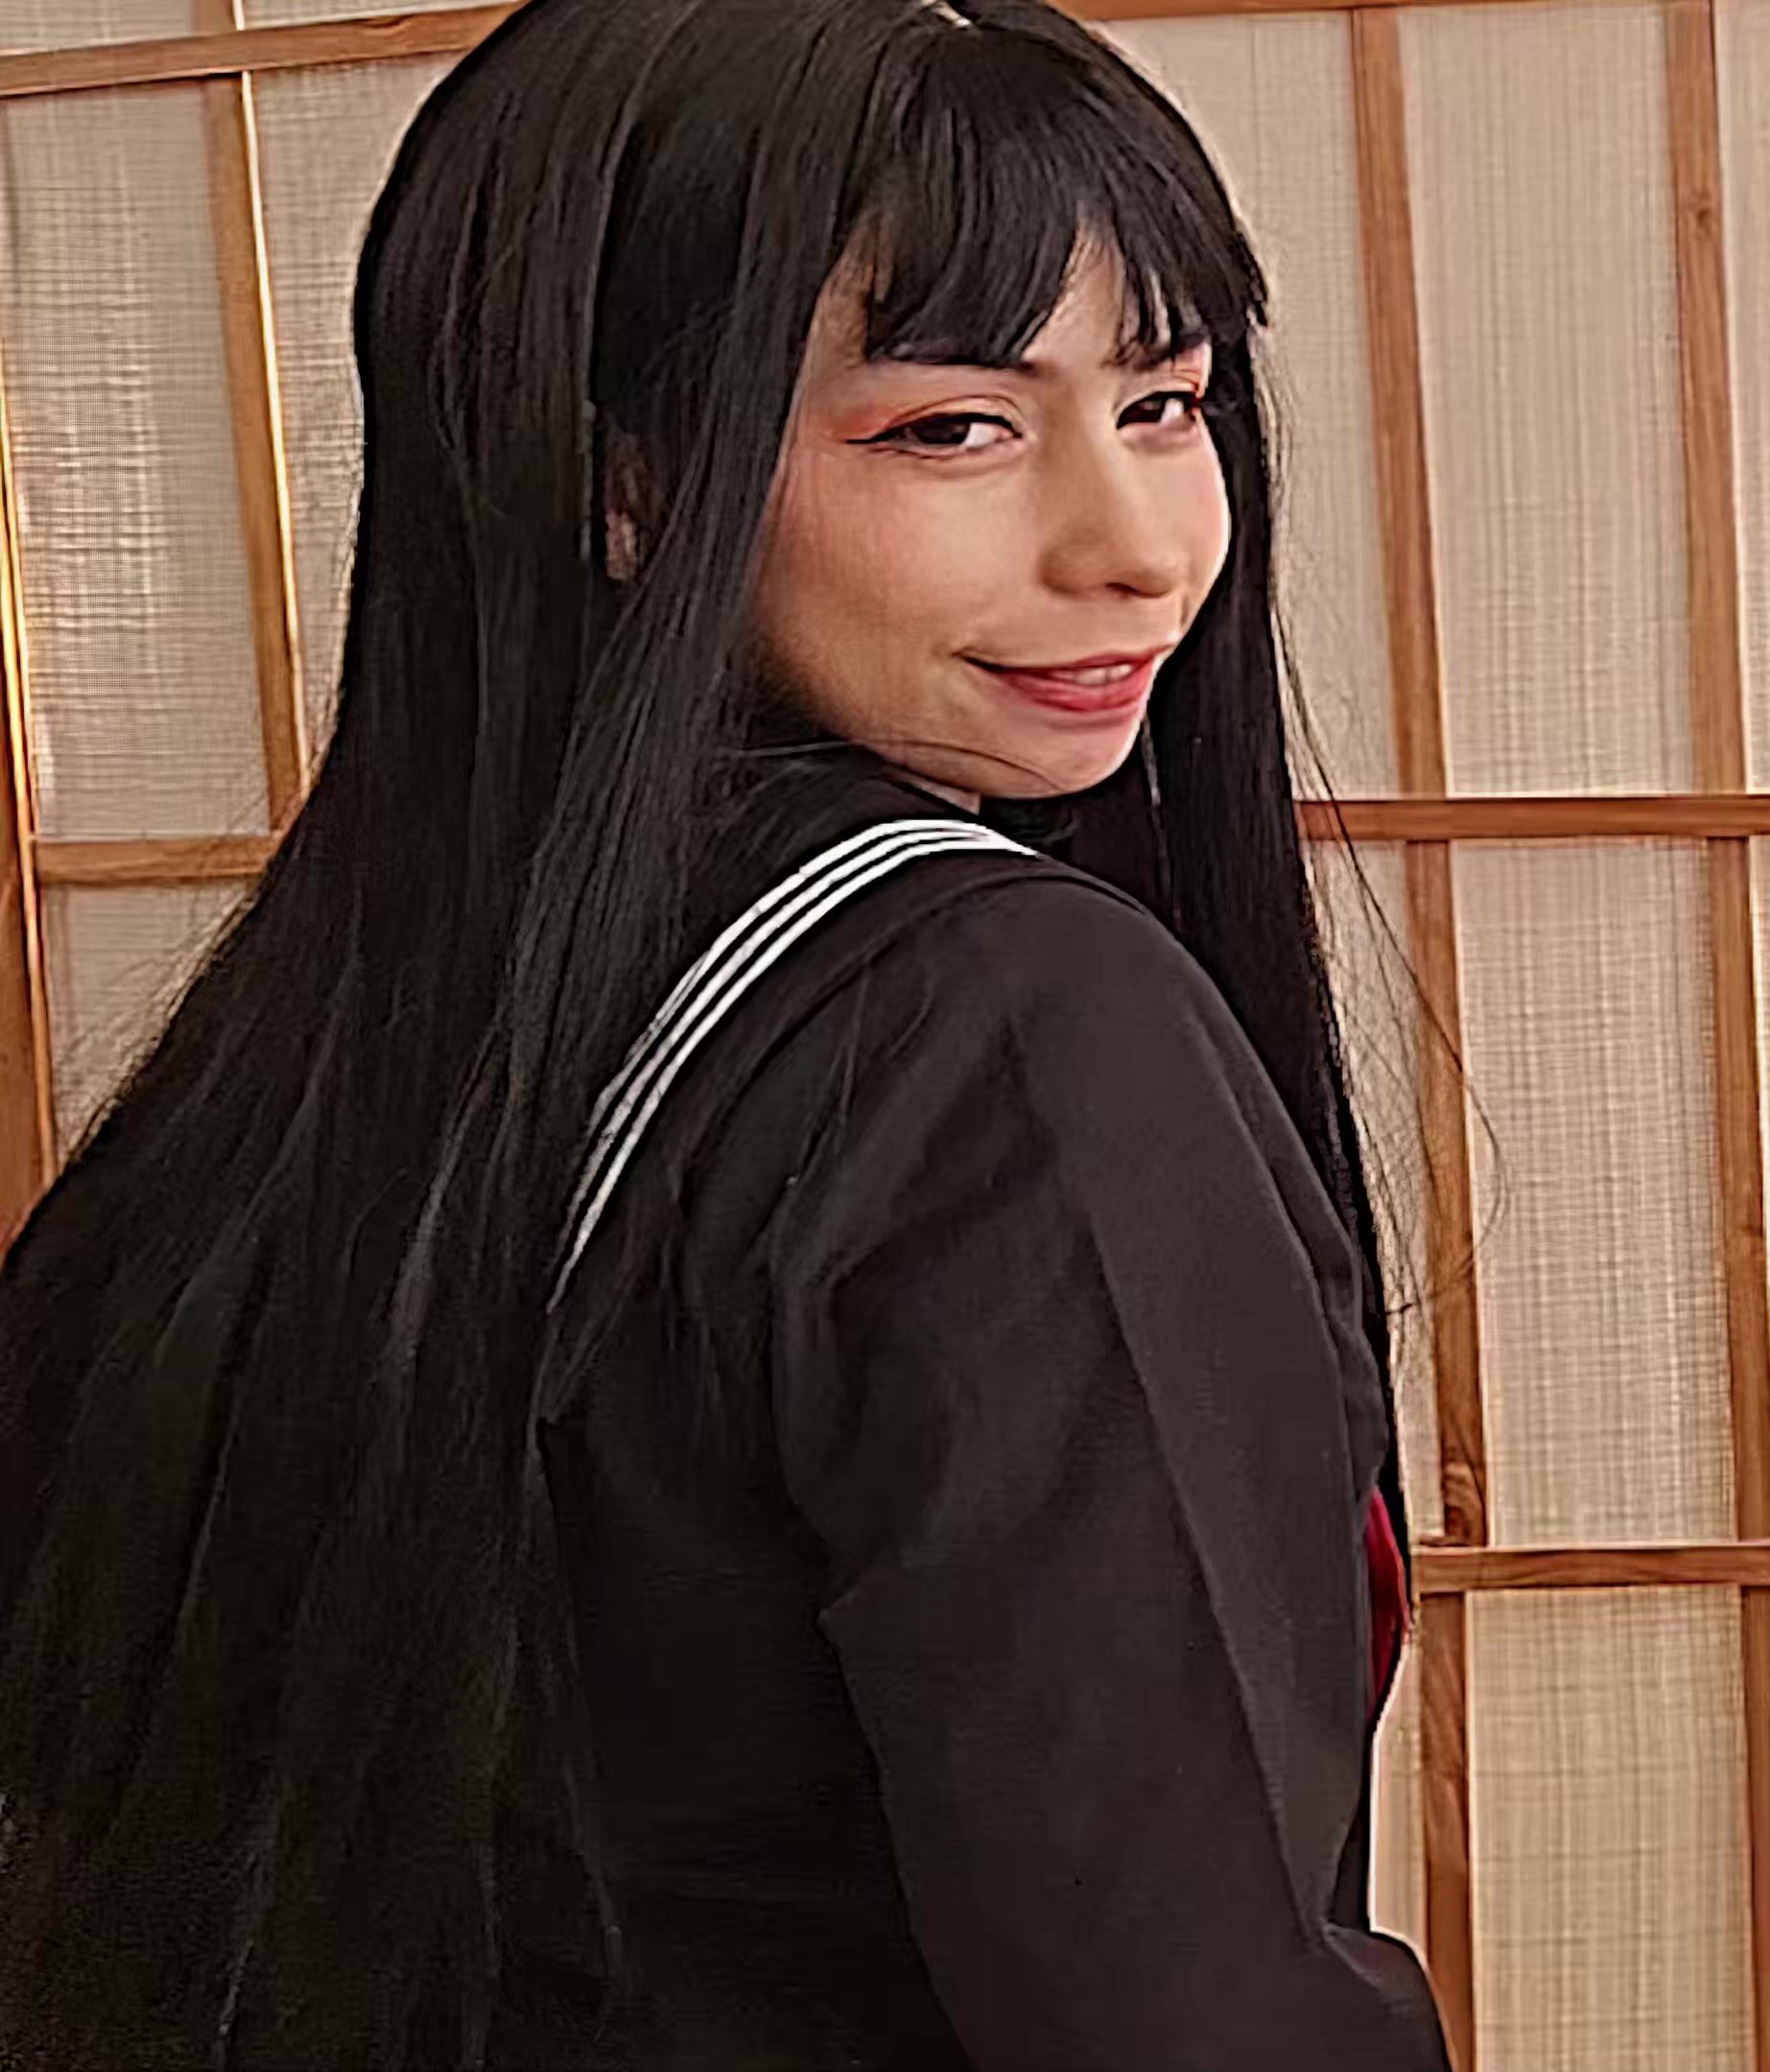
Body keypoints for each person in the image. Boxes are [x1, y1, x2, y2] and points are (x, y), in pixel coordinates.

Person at [0, 2, 1447, 2064]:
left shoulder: (347, 1033)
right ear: (628, 485)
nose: (1135, 546)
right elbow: (1179, 2008)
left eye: (1165, 403)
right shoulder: (1000, 1040)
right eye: (951, 428)